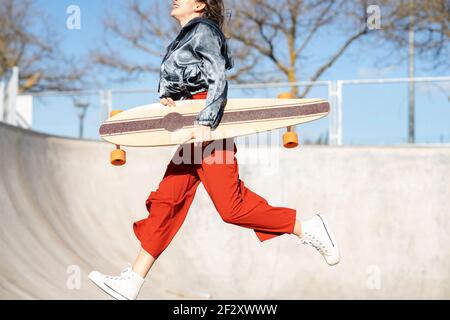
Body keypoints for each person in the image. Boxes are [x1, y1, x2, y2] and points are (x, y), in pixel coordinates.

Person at [89, 0, 340, 300]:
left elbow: (217, 76)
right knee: (167, 202)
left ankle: (306, 227)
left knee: (231, 207)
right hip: (192, 125)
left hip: (209, 125)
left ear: (199, 5)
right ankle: (132, 281)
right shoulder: (186, 36)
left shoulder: (203, 30)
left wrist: (206, 121)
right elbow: (190, 78)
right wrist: (174, 99)